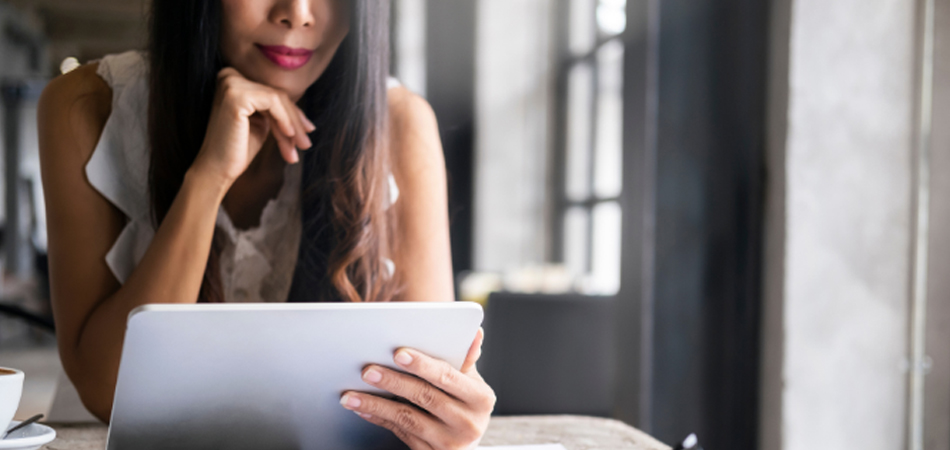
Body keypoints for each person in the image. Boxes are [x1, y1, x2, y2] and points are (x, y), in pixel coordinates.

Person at [37, 0, 495, 447]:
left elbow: (427, 389)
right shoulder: (87, 106)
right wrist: (208, 179)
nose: (297, 11)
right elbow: (106, 394)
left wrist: (443, 417)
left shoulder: (400, 123)